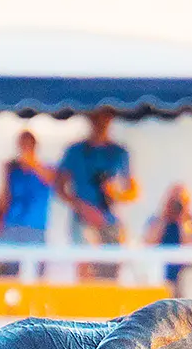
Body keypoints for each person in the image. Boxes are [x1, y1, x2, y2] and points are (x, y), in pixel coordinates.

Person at [55, 108, 137, 279]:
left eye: (105, 118)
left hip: (110, 219)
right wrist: (81, 206)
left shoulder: (119, 153)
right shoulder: (75, 151)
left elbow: (133, 191)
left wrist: (114, 192)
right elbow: (59, 186)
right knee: (86, 266)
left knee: (112, 269)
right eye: (97, 117)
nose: (101, 122)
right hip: (83, 219)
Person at [143, 184, 192, 298]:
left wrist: (184, 220)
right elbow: (148, 244)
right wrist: (164, 216)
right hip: (163, 275)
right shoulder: (158, 222)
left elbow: (191, 250)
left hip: (188, 276)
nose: (177, 205)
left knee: (191, 278)